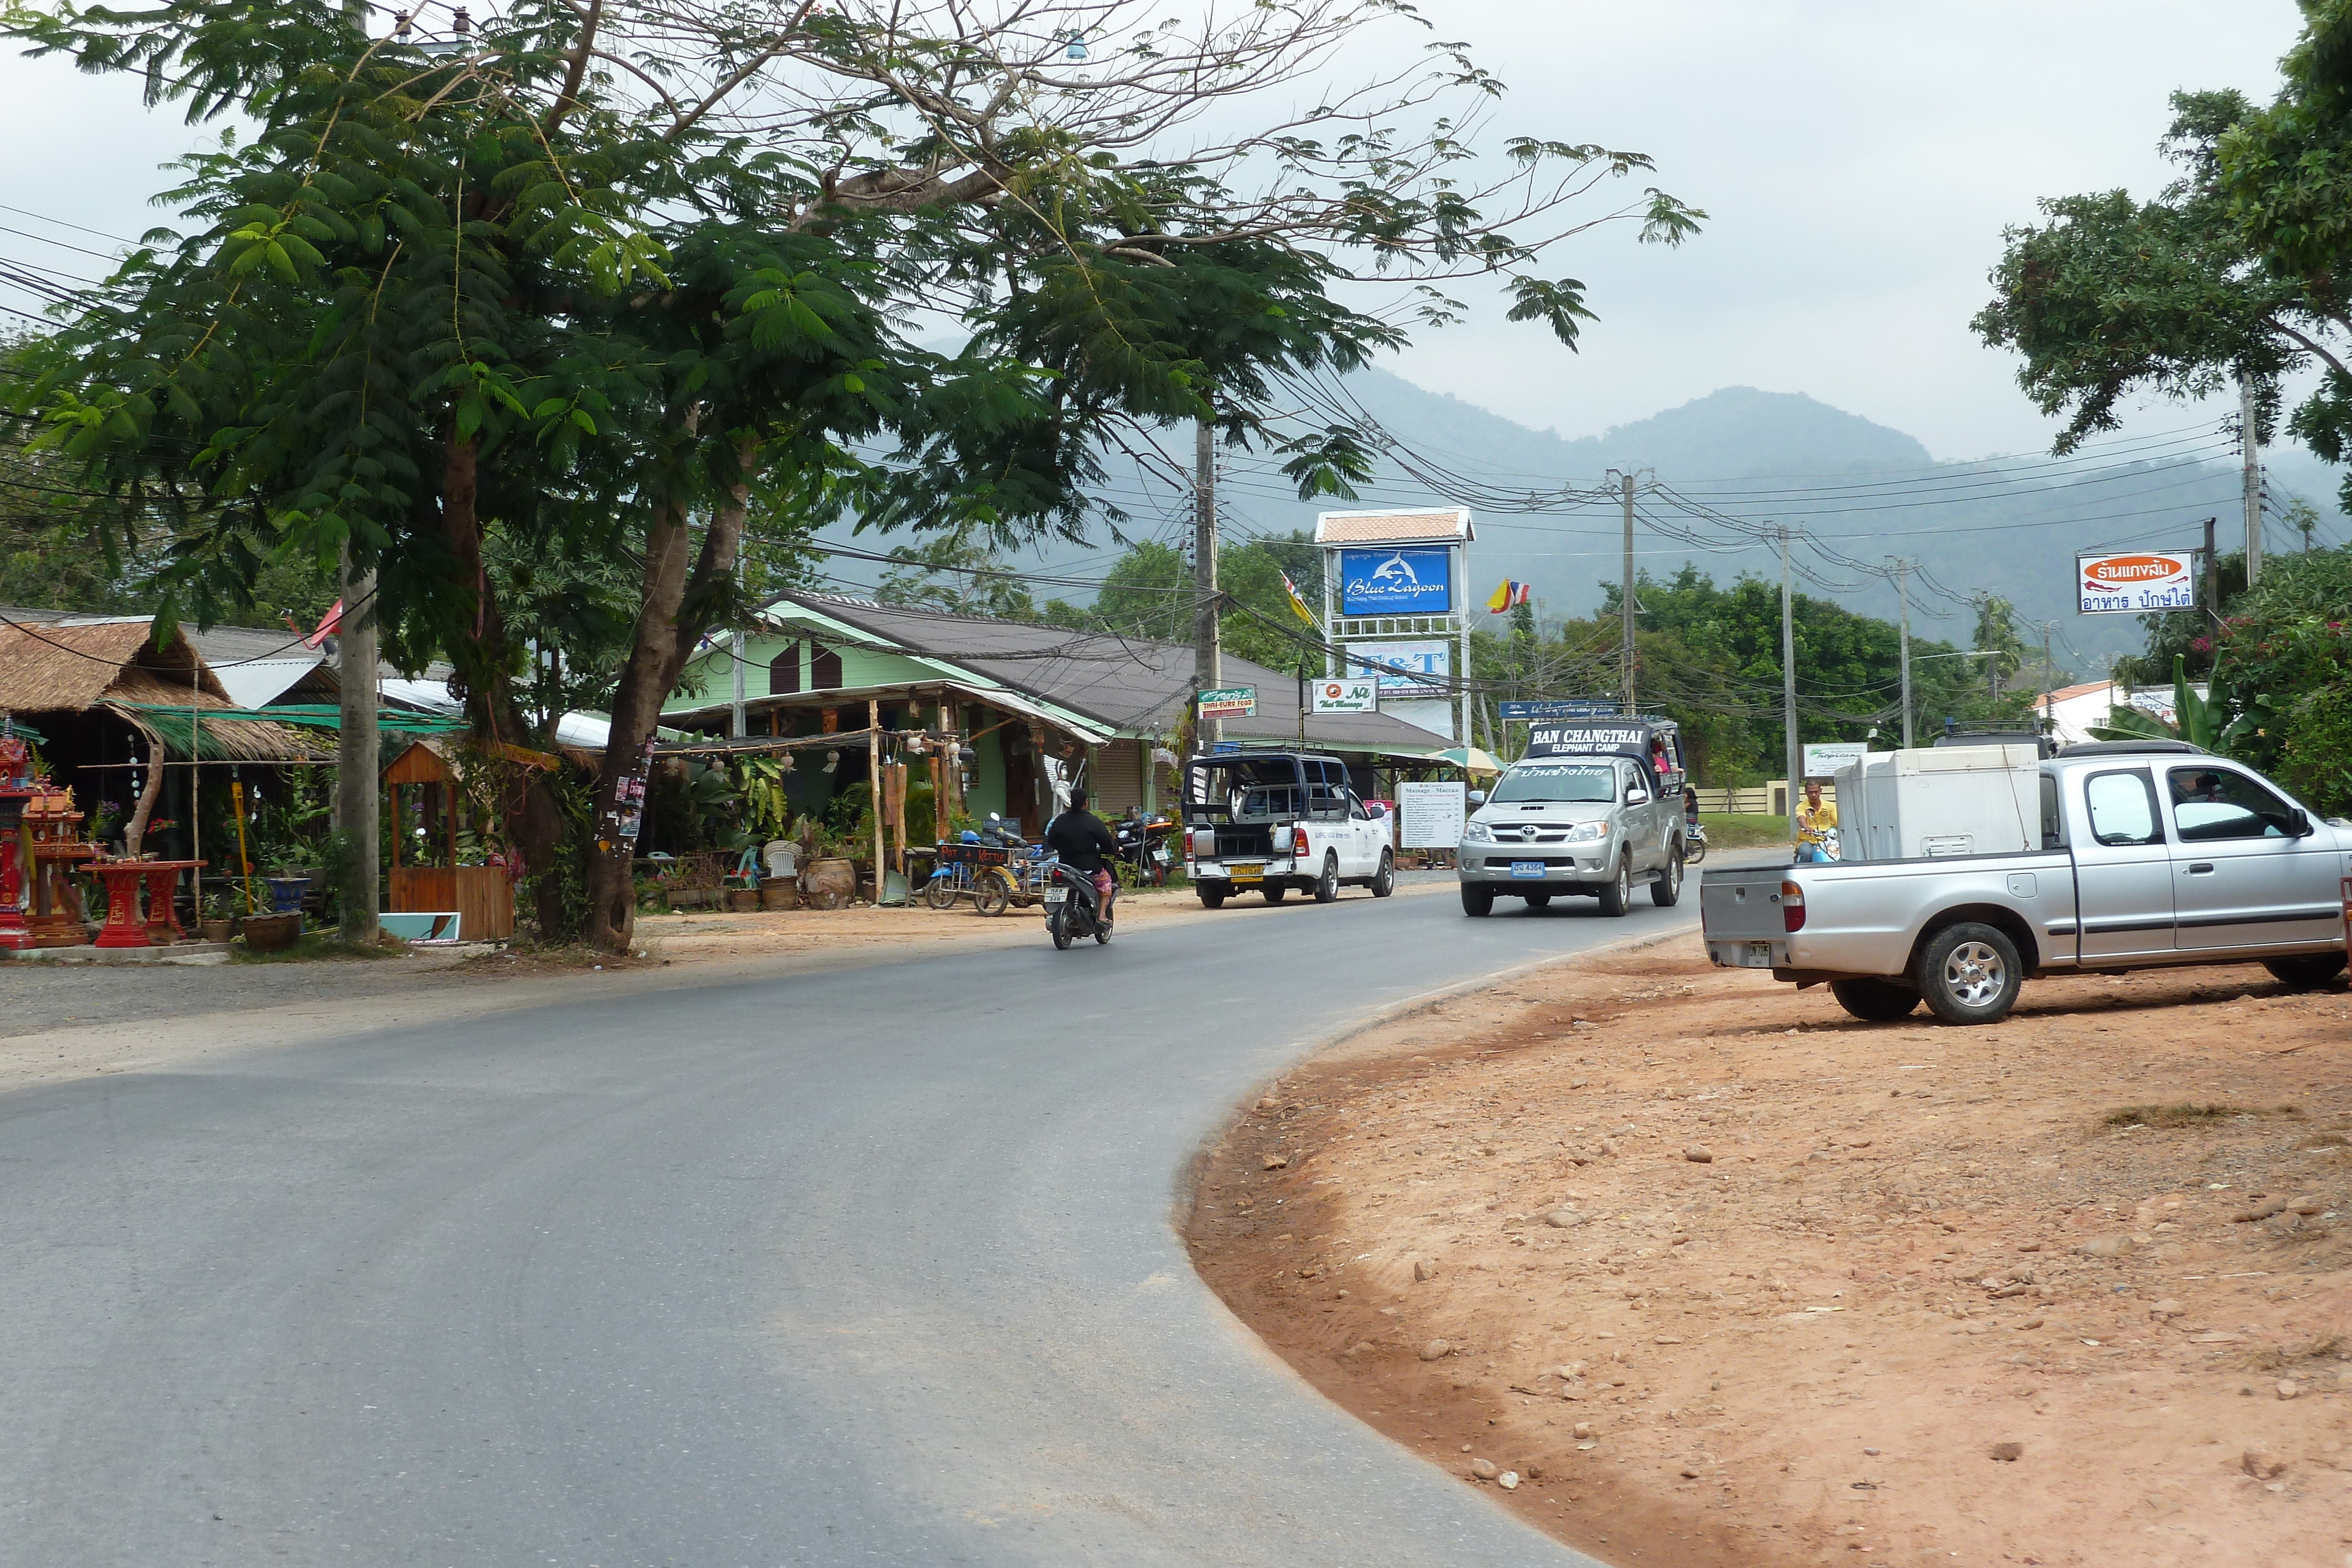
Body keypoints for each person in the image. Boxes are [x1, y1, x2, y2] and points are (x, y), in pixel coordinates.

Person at [1044, 785, 1120, 923]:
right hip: (1088, 867)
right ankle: (1102, 915)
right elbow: (1108, 845)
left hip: (1064, 865)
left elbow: (1051, 841)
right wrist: (1116, 849)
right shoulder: (1093, 822)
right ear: (1086, 802)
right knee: (1106, 883)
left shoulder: (1060, 820)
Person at [1794, 778, 1838, 862]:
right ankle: (1804, 872)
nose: (1814, 795)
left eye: (1816, 792)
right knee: (1807, 853)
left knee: (1839, 853)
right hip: (1808, 841)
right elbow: (1801, 817)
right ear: (1805, 792)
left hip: (1827, 840)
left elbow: (1838, 822)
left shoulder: (1829, 806)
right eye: (1810, 792)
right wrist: (1806, 827)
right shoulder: (1802, 806)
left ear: (1821, 791)